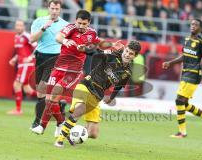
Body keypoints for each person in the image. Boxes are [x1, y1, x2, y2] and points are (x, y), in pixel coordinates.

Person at [54, 40, 141, 148]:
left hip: (97, 95)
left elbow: (118, 86)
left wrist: (111, 98)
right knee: (79, 109)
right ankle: (59, 140)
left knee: (93, 134)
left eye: (131, 53)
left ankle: (65, 123)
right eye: (127, 51)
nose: (127, 54)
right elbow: (96, 52)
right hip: (86, 85)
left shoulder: (127, 72)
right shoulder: (112, 55)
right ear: (125, 49)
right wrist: (85, 49)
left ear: (135, 56)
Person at [31, 9, 102, 137]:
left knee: (54, 95)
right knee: (49, 100)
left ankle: (42, 126)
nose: (80, 26)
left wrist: (87, 48)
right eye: (79, 23)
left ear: (89, 23)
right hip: (59, 68)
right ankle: (60, 122)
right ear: (76, 21)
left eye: (84, 24)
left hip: (73, 71)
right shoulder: (70, 28)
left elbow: (96, 45)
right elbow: (58, 37)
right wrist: (65, 41)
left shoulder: (92, 33)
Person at [162, 19, 202, 138]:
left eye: (196, 25)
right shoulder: (187, 39)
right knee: (184, 104)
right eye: (192, 24)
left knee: (179, 100)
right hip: (185, 73)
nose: (193, 26)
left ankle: (183, 132)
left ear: (200, 28)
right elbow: (184, 56)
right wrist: (170, 63)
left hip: (194, 74)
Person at [30, 0, 68, 128]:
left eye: (57, 9)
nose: (54, 11)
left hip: (55, 57)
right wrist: (43, 28)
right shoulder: (39, 21)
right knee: (40, 94)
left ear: (60, 9)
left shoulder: (65, 25)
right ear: (48, 8)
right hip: (40, 56)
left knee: (42, 87)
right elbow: (32, 39)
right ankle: (59, 106)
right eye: (52, 8)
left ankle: (37, 122)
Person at [7, 20, 37, 115]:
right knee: (27, 89)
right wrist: (14, 59)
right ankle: (46, 98)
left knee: (16, 84)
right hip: (21, 64)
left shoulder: (27, 36)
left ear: (24, 27)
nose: (18, 27)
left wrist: (30, 58)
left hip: (26, 65)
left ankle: (18, 110)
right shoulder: (16, 37)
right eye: (17, 25)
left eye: (20, 25)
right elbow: (20, 51)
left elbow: (37, 47)